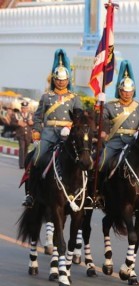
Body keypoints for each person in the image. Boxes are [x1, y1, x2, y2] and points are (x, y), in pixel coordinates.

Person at [24, 48, 83, 208]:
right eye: (58, 79)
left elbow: (80, 117)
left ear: (68, 80)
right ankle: (31, 193)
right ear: (54, 79)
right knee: (36, 158)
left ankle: (86, 193)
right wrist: (36, 130)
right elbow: (38, 116)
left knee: (84, 159)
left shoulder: (74, 98)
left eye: (64, 80)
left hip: (68, 134)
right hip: (50, 133)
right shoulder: (46, 96)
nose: (61, 82)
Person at [95, 60, 139, 208]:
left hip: (133, 142)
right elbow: (100, 120)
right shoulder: (110, 106)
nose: (127, 94)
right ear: (119, 91)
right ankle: (98, 192)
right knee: (102, 161)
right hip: (116, 140)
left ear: (133, 91)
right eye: (124, 91)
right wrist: (98, 107)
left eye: (129, 91)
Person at [12, 101, 34, 169]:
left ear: (28, 109)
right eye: (23, 108)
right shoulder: (17, 115)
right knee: (22, 148)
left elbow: (35, 123)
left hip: (28, 135)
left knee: (26, 149)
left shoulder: (31, 115)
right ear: (21, 108)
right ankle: (21, 165)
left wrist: (32, 123)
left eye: (26, 108)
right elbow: (12, 123)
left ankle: (25, 163)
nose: (24, 109)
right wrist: (18, 124)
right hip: (20, 134)